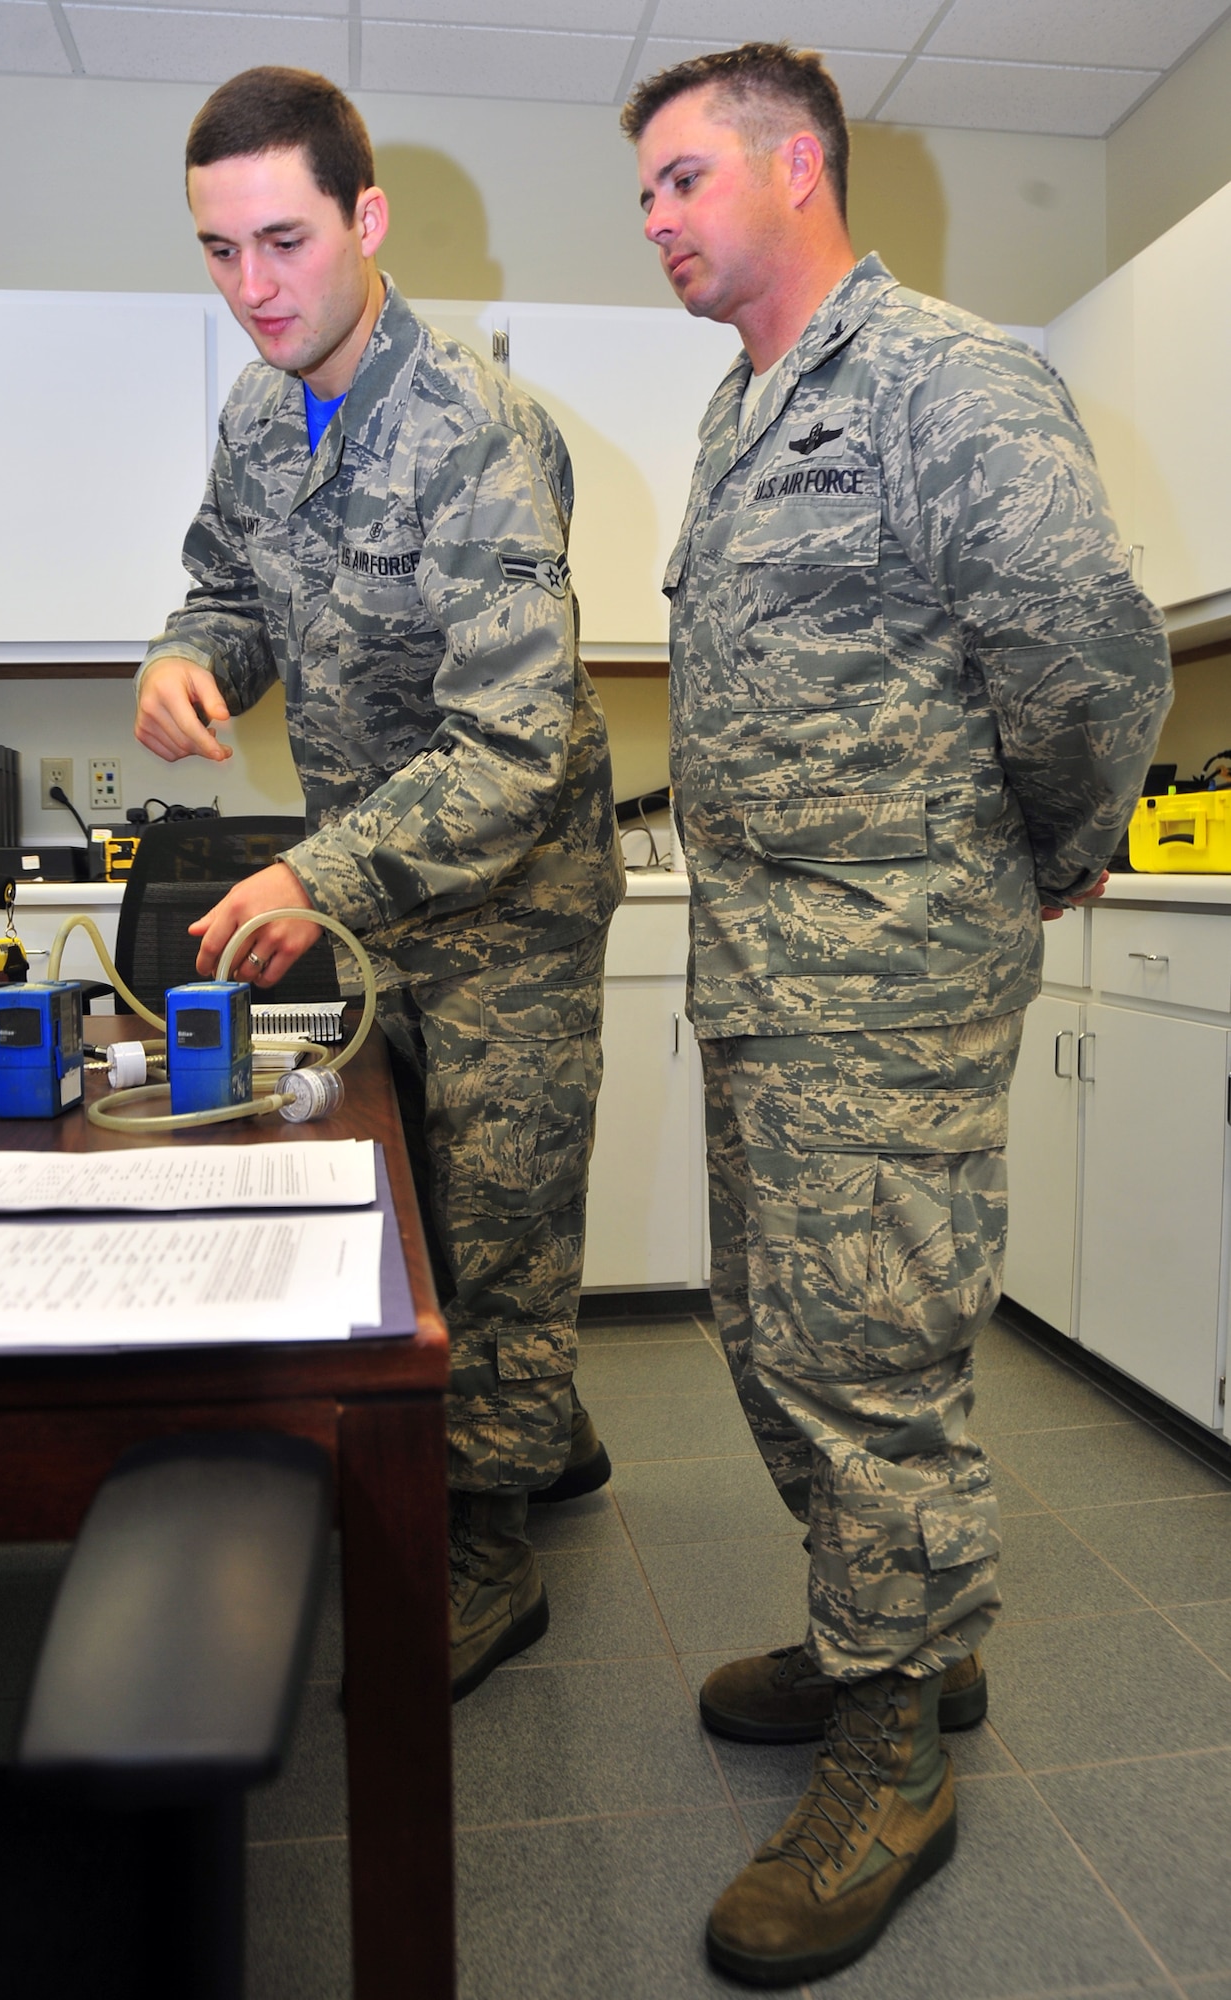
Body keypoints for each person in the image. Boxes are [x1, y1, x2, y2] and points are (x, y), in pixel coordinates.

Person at [621, 41, 1173, 1986]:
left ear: (798, 171)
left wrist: (1055, 839)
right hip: (767, 977)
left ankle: (892, 1755)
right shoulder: (735, 413)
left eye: (684, 179)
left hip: (890, 979)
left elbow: (1088, 657)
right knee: (768, 1333)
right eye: (646, 193)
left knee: (871, 1370)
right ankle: (901, 1637)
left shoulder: (947, 377)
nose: (659, 220)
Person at [135, 66, 623, 1700]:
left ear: (366, 221)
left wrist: (307, 866)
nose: (252, 288)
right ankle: (528, 1431)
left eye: (283, 241)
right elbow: (228, 587)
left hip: (508, 899)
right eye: (218, 250)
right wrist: (186, 657)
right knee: (410, 1193)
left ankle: (487, 1550)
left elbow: (509, 747)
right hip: (373, 888)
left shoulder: (479, 428)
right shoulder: (260, 414)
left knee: (496, 1215)